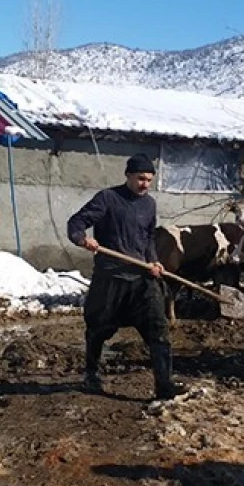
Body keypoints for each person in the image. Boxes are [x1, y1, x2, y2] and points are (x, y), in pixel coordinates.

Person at [67, 153, 185, 401]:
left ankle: (165, 386)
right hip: (111, 278)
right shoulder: (108, 199)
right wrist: (82, 238)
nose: (145, 184)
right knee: (99, 329)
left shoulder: (149, 204)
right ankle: (92, 374)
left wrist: (154, 260)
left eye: (149, 180)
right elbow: (77, 221)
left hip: (142, 280)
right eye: (141, 178)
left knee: (159, 331)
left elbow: (148, 237)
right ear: (128, 176)